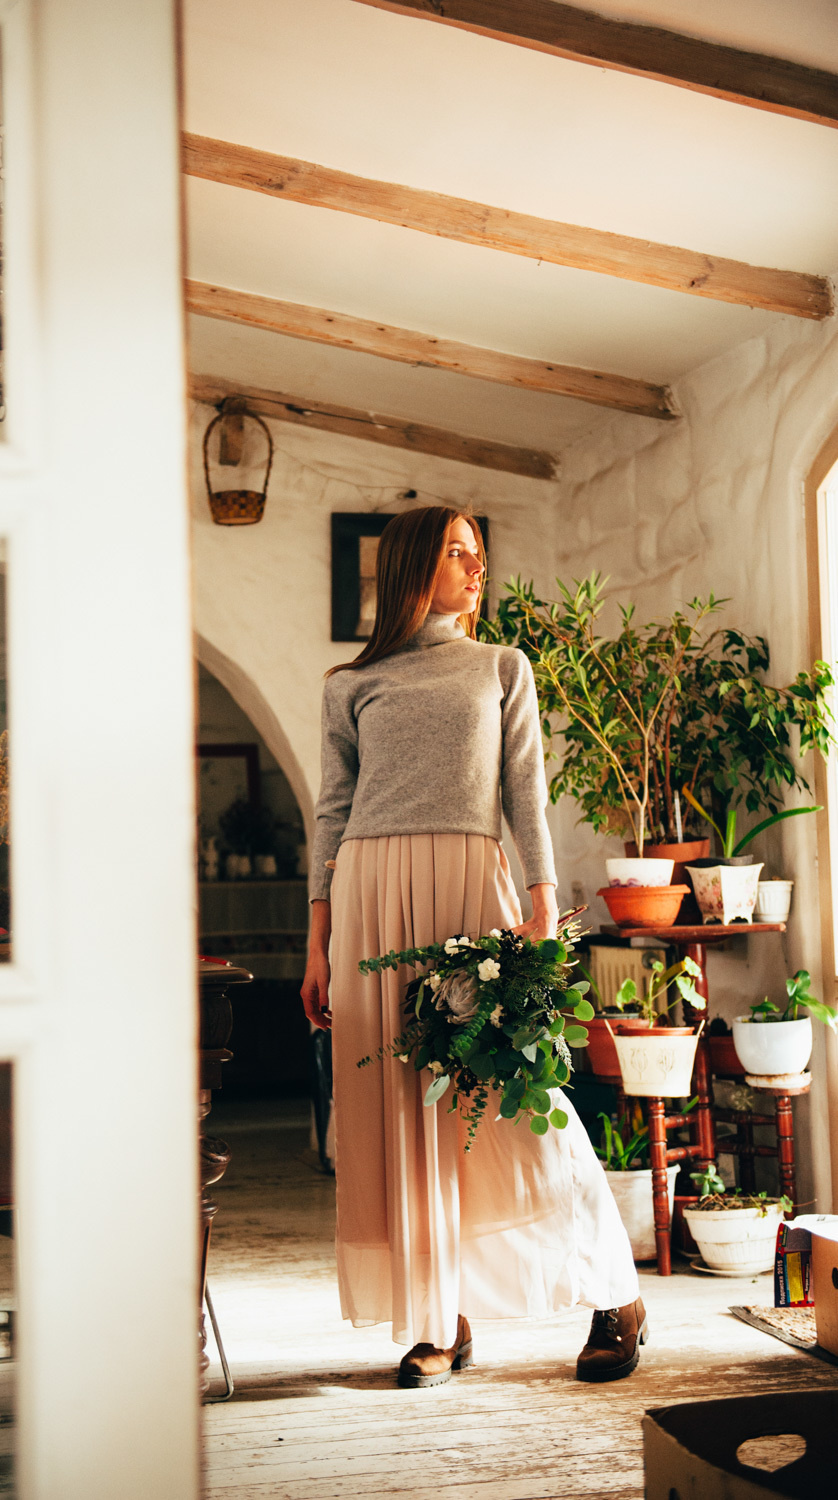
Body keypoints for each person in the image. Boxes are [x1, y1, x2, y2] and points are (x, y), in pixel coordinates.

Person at [300, 506, 645, 1390]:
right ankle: (438, 1324)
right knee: (401, 1115)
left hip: (468, 894)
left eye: (478, 554)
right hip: (371, 899)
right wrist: (318, 943)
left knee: (510, 1100)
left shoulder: (502, 667)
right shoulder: (349, 683)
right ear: (414, 564)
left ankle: (614, 1291)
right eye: (457, 552)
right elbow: (332, 814)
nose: (474, 567)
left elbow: (525, 793)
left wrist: (538, 905)